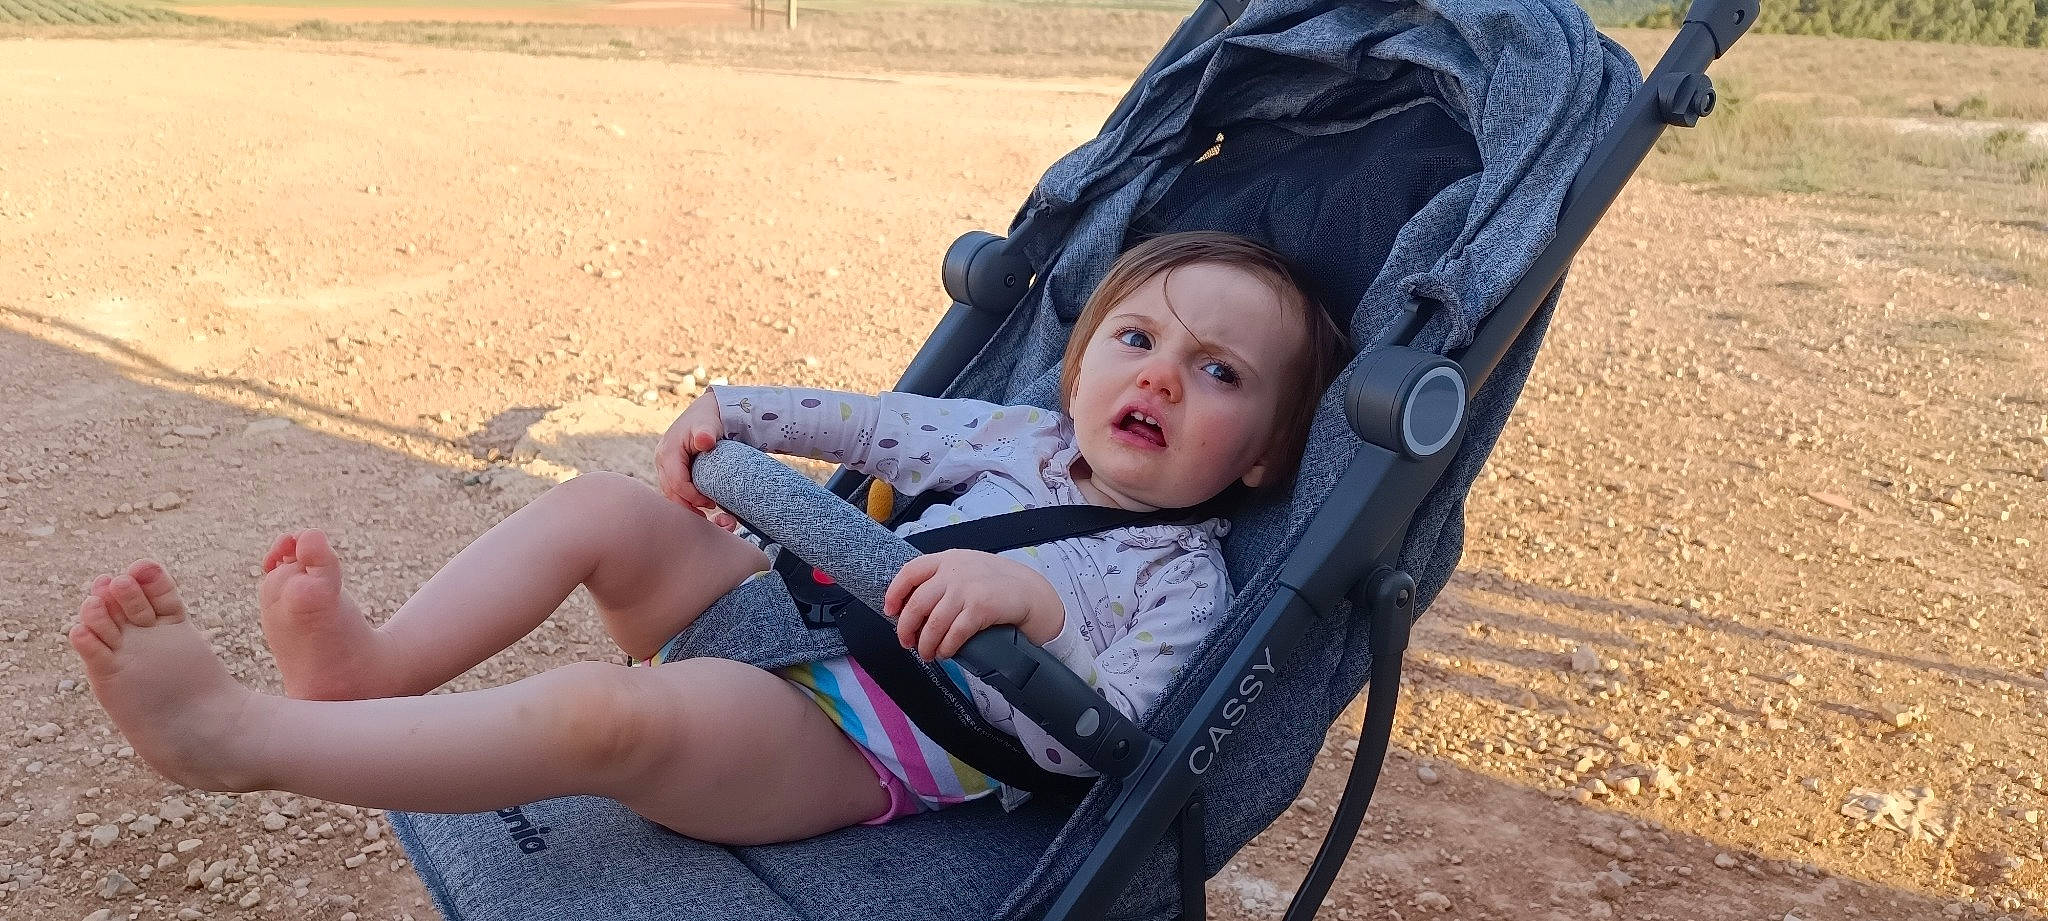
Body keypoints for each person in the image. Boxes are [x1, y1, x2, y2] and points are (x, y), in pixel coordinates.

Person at [67, 231, 1348, 846]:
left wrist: (1033, 612)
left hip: (857, 739)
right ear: (1080, 364)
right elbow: (882, 427)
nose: (1161, 375)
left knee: (605, 718)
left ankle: (238, 741)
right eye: (1138, 338)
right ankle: (372, 669)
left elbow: (1105, 746)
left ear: (1266, 454)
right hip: (782, 606)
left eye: (1219, 371)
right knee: (600, 508)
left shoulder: (1184, 581)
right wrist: (741, 415)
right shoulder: (1020, 436)